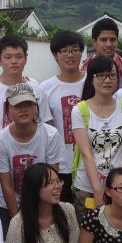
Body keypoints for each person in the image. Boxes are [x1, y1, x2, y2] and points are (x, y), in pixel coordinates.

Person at [0, 83, 62, 227]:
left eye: (28, 104)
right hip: (8, 206)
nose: (23, 110)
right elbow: (6, 186)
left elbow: (52, 179)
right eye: (17, 105)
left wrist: (42, 211)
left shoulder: (51, 135)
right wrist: (17, 222)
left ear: (35, 107)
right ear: (8, 109)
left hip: (43, 203)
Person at [71, 55, 122, 212]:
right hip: (87, 187)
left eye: (112, 75)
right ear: (91, 79)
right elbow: (86, 154)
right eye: (101, 75)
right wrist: (97, 189)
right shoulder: (80, 110)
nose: (107, 80)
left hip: (118, 190)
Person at [39, 31, 86, 198]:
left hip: (89, 163)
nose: (70, 55)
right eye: (64, 51)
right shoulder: (45, 88)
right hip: (60, 164)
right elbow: (46, 128)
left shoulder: (92, 83)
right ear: (55, 56)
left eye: (75, 50)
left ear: (82, 53)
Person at [0, 35, 50, 128]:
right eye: (8, 57)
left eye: (19, 57)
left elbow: (46, 126)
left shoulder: (37, 90)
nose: (14, 61)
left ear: (26, 59)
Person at [81, 16, 122, 90]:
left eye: (112, 40)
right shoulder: (83, 71)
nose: (108, 44)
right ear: (94, 42)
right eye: (103, 40)